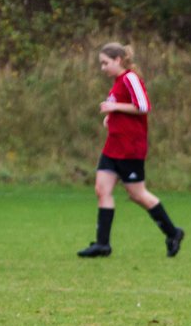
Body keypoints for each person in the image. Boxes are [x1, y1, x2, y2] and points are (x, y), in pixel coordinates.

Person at [78, 43, 184, 258]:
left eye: (105, 63)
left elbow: (144, 106)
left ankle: (173, 233)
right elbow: (125, 107)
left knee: (137, 194)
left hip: (130, 148)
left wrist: (114, 108)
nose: (103, 68)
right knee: (102, 190)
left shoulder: (130, 78)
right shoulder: (118, 82)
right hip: (113, 146)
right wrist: (112, 117)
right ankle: (102, 244)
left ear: (118, 60)